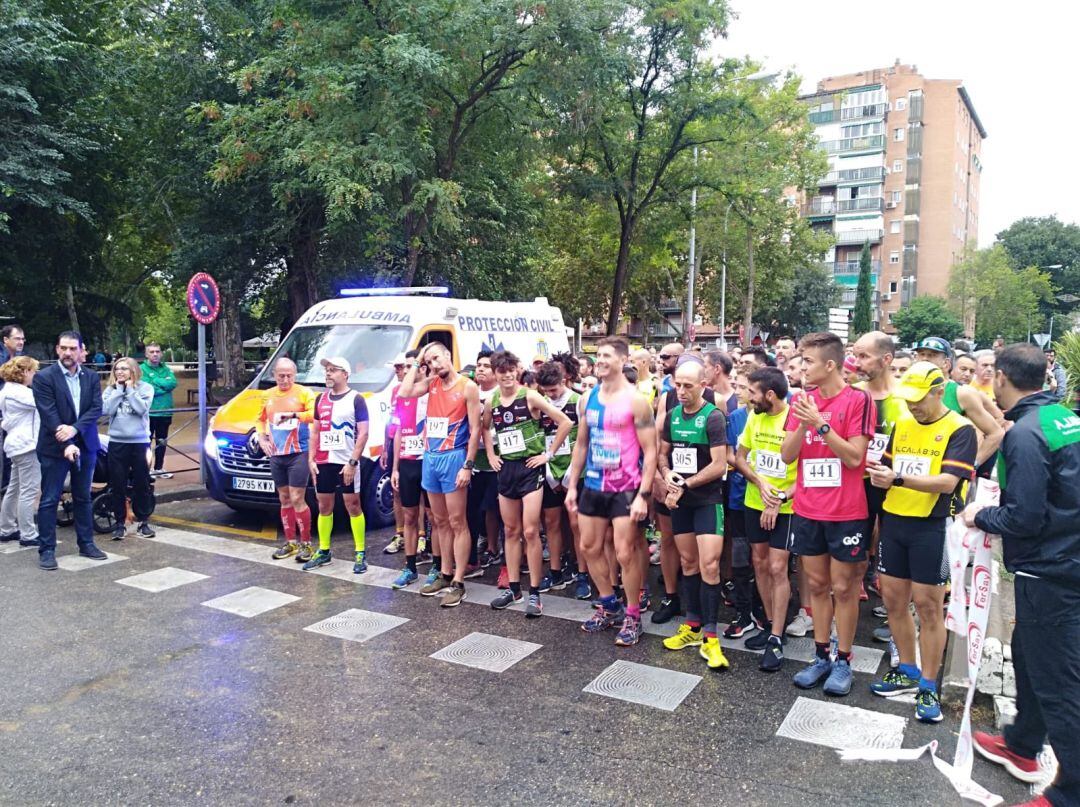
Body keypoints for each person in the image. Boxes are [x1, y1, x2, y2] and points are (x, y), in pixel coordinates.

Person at [960, 343, 1080, 805]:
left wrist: (980, 517)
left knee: (1057, 680)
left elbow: (1023, 517)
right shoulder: (1062, 418)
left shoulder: (1024, 433)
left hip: (1050, 569)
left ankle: (1070, 791)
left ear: (1001, 380)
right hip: (1062, 559)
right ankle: (1023, 744)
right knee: (1028, 658)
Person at [866, 362, 977, 724]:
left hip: (933, 527)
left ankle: (929, 684)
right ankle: (908, 669)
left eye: (919, 399)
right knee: (894, 601)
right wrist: (883, 478)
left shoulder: (960, 429)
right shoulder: (901, 425)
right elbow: (884, 471)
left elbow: (947, 482)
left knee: (929, 607)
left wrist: (897, 478)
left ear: (937, 391)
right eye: (907, 399)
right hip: (895, 522)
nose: (913, 406)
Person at [781, 331, 875, 696]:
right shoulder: (802, 402)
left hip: (846, 512)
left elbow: (854, 458)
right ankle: (820, 655)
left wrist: (821, 423)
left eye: (808, 362)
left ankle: (844, 660)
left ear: (830, 365)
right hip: (808, 509)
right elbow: (788, 456)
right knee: (817, 586)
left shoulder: (858, 400)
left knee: (844, 588)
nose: (801, 368)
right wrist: (804, 422)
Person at [566, 337, 657, 646]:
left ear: (622, 360)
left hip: (626, 487)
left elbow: (652, 450)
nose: (600, 360)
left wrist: (644, 494)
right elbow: (581, 444)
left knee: (624, 552)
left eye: (606, 355)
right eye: (598, 355)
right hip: (593, 484)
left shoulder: (636, 399)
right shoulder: (589, 396)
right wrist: (572, 486)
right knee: (589, 547)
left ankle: (633, 615)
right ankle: (609, 605)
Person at [485, 350, 571, 617]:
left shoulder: (530, 396)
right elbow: (485, 428)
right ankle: (513, 588)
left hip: (529, 468)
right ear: (496, 374)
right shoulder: (492, 400)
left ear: (517, 371)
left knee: (531, 531)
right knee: (510, 531)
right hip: (506, 469)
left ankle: (534, 592)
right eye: (502, 371)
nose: (508, 375)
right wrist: (490, 455)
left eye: (512, 370)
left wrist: (548, 454)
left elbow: (565, 422)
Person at [658, 360, 731, 669]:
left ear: (704, 385)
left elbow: (719, 464)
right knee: (688, 563)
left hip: (706, 500)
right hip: (680, 501)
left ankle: (712, 640)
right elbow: (662, 454)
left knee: (710, 565)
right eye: (678, 385)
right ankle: (692, 625)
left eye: (688, 385)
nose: (682, 391)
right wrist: (667, 475)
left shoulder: (713, 417)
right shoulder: (672, 416)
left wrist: (685, 484)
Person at [399, 342, 482, 608]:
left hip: (454, 457)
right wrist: (417, 362)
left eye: (437, 358)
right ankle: (445, 573)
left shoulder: (467, 386)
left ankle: (459, 581)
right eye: (430, 361)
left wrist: (467, 465)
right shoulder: (432, 383)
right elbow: (404, 392)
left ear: (448, 356)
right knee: (438, 520)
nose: (435, 365)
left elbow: (475, 428)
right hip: (431, 457)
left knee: (458, 521)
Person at [731, 367, 798, 671]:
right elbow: (739, 457)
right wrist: (760, 484)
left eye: (753, 392)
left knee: (777, 567)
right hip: (753, 502)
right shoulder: (754, 417)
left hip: (786, 508)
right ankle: (770, 624)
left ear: (769, 395)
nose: (748, 397)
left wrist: (781, 497)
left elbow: (808, 472)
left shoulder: (795, 419)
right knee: (759, 562)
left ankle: (776, 637)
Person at [33, 331, 107, 570]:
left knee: (83, 496)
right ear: (57, 349)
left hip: (86, 445)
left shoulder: (91, 377)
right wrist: (66, 443)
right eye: (63, 348)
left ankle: (86, 544)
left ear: (81, 350)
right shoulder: (44, 377)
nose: (67, 353)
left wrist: (74, 431)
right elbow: (48, 414)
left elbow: (95, 408)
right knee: (50, 499)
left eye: (72, 348)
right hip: (54, 448)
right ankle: (47, 550)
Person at [303, 356, 370, 573]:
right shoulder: (320, 399)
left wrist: (353, 462)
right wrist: (311, 459)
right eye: (327, 370)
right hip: (324, 462)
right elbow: (314, 432)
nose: (328, 373)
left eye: (333, 370)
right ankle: (324, 551)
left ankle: (360, 552)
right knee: (324, 506)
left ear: (345, 374)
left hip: (346, 462)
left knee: (353, 505)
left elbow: (363, 433)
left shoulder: (356, 399)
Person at [536, 358, 586, 598]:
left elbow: (584, 441)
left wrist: (571, 474)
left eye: (554, 390)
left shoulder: (578, 401)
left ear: (564, 380)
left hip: (574, 470)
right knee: (552, 523)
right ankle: (555, 570)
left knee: (577, 525)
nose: (551, 395)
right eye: (546, 391)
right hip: (549, 470)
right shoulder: (541, 403)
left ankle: (583, 573)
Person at [914, 338, 1004, 469]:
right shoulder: (904, 387)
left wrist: (971, 465)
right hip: (912, 465)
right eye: (922, 354)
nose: (925, 359)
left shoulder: (961, 393)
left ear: (946, 363)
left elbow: (996, 433)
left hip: (946, 471)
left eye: (932, 355)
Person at [261, 358, 318, 562]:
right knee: (284, 498)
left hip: (298, 452)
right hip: (277, 455)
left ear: (295, 375)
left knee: (297, 498)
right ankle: (290, 542)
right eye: (281, 375)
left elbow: (315, 414)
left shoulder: (304, 393)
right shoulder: (267, 395)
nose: (285, 379)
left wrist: (293, 415)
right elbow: (259, 419)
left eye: (289, 376)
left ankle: (307, 543)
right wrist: (261, 438)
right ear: (274, 375)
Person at [102, 358, 156, 540]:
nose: (120, 372)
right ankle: (119, 523)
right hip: (117, 442)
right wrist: (119, 390)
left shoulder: (145, 388)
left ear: (133, 370)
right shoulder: (111, 389)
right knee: (118, 483)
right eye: (117, 369)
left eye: (124, 368)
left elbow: (142, 409)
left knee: (142, 482)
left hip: (139, 441)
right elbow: (107, 410)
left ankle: (143, 521)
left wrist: (131, 390)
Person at [390, 357, 429, 590]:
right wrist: (395, 467)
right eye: (404, 367)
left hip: (430, 460)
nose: (404, 371)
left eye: (409, 367)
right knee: (410, 516)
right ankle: (410, 567)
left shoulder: (433, 390)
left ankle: (438, 565)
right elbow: (397, 432)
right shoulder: (400, 393)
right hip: (407, 461)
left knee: (437, 518)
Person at [467, 350, 503, 575]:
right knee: (473, 507)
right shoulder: (470, 391)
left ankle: (493, 547)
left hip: (497, 457)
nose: (480, 369)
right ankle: (475, 551)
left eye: (486, 366)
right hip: (473, 459)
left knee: (493, 507)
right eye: (478, 365)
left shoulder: (501, 394)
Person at [0, 356, 41, 546]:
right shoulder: (21, 393)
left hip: (16, 444)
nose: (35, 375)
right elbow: (41, 402)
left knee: (14, 488)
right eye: (33, 371)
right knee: (28, 490)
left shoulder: (8, 390)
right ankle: (28, 533)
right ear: (24, 372)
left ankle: (7, 527)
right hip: (26, 445)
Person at [141, 343, 178, 478]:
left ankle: (159, 468)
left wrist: (155, 380)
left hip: (165, 411)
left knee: (162, 441)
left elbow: (173, 383)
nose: (155, 354)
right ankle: (145, 470)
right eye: (151, 352)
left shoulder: (167, 368)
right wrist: (163, 385)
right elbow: (147, 389)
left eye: (157, 351)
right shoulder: (141, 369)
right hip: (149, 412)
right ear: (146, 354)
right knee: (146, 442)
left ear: (161, 353)